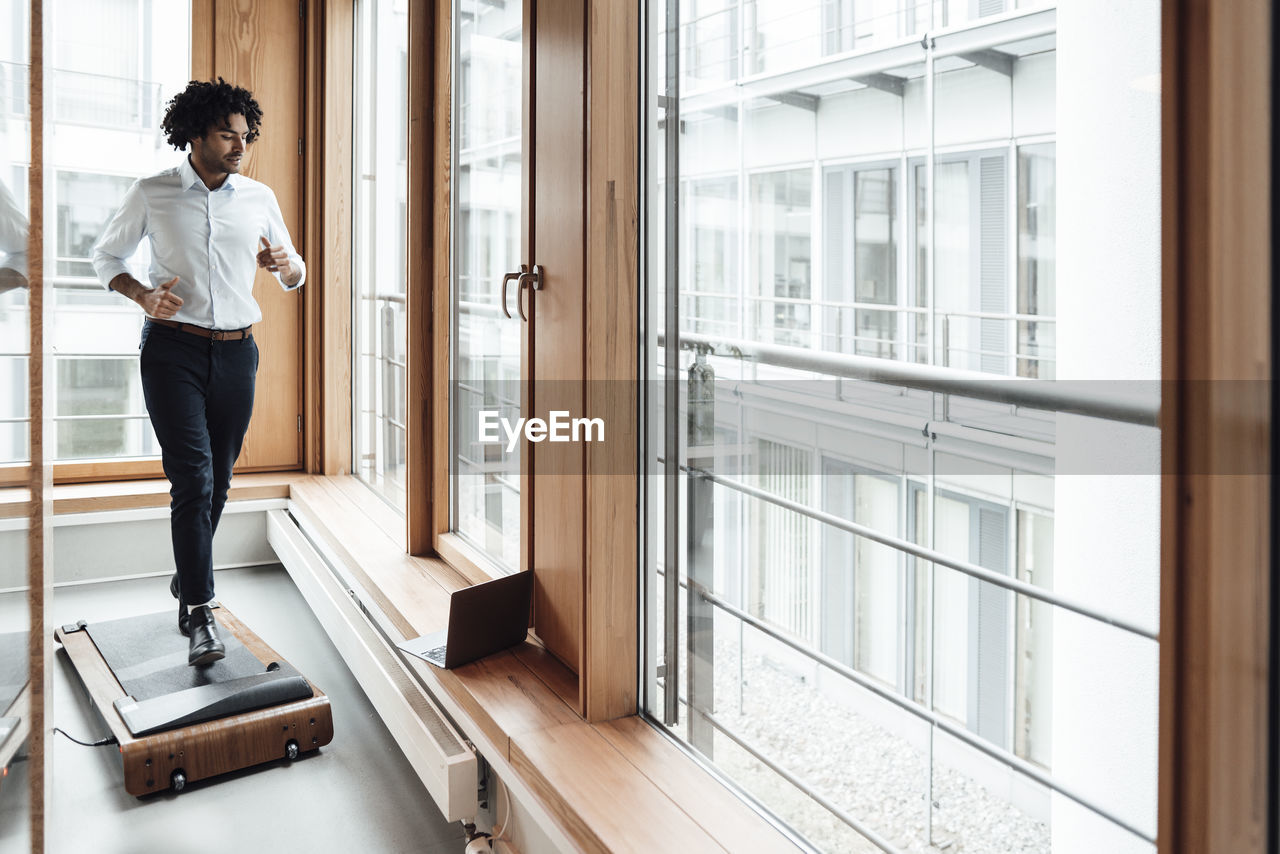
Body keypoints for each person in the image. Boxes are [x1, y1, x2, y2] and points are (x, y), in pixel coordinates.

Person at [93, 78, 305, 666]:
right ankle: (200, 611)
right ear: (193, 135)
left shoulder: (258, 197)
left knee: (221, 476)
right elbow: (105, 255)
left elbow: (295, 273)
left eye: (244, 136)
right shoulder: (152, 192)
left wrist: (287, 264)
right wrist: (141, 294)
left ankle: (188, 577)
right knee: (193, 478)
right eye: (226, 135)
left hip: (238, 353)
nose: (239, 146)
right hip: (172, 351)